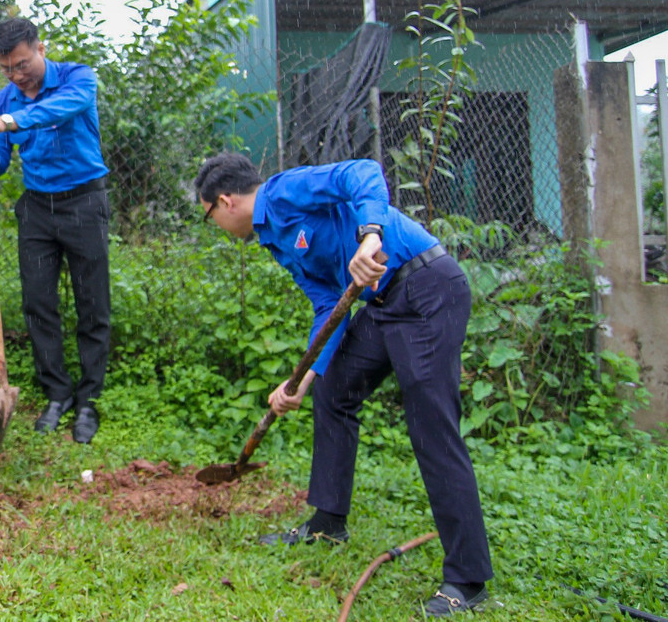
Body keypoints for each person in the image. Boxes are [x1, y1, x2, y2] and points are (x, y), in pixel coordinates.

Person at [193, 153, 494, 618]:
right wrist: (303, 378)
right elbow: (327, 302)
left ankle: (468, 578)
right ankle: (327, 522)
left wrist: (369, 236)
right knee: (333, 390)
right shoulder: (273, 240)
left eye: (208, 215)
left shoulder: (285, 191)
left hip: (427, 287)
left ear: (225, 202)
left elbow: (363, 173)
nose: (214, 224)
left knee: (430, 426)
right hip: (383, 305)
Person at [0, 18, 111, 444]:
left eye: (22, 63)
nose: (16, 74)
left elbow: (59, 110)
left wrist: (6, 122)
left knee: (92, 302)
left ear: (40, 48)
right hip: (37, 209)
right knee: (38, 303)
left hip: (84, 201)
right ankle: (57, 393)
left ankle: (88, 400)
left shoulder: (77, 79)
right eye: (7, 68)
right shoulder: (3, 99)